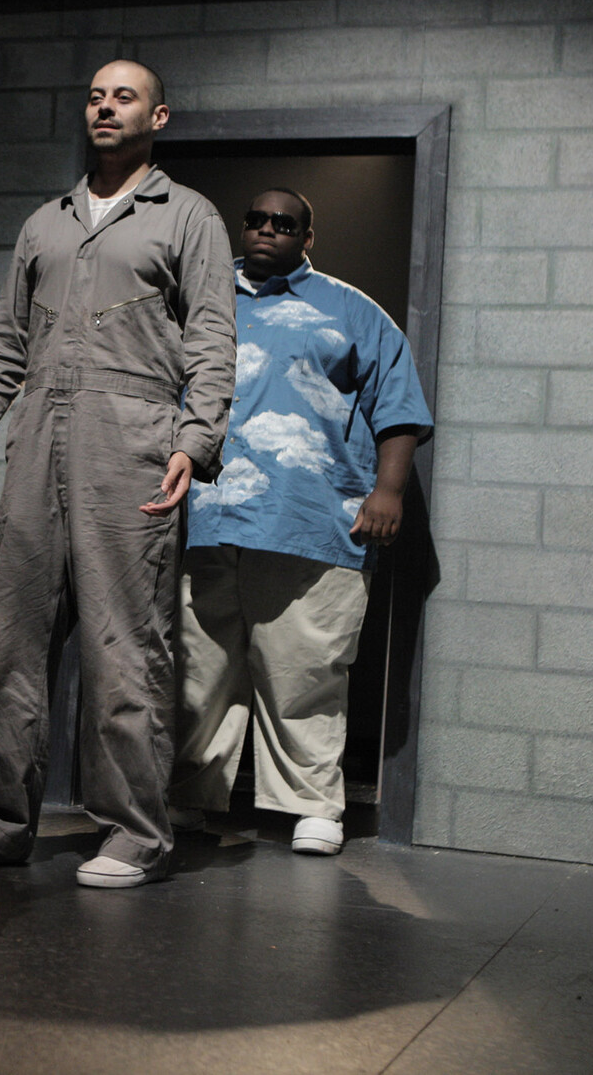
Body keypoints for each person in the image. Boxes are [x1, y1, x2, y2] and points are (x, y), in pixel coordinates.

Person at [0, 60, 236, 890]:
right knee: (7, 646)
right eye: (95, 95)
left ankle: (136, 831)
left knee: (123, 647)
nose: (105, 106)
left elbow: (211, 336)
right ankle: (0, 821)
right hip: (38, 433)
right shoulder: (46, 224)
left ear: (158, 115)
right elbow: (5, 343)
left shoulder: (188, 217)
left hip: (132, 436)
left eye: (123, 96)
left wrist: (195, 439)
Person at [168, 189, 431, 856]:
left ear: (308, 235)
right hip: (204, 512)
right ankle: (192, 795)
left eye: (284, 223)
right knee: (201, 668)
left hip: (312, 517)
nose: (266, 231)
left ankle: (312, 802)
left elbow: (397, 404)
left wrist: (388, 491)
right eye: (254, 218)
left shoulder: (350, 309)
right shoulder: (197, 296)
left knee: (306, 666)